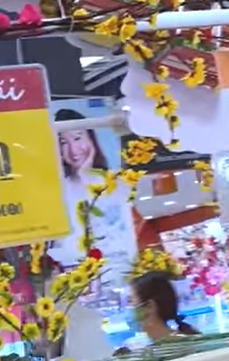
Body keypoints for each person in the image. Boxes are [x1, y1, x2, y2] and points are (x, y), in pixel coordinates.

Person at [50, 108, 135, 274]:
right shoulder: (59, 189)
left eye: (77, 138)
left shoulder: (116, 182)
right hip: (76, 272)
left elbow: (121, 223)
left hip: (119, 266)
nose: (73, 150)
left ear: (91, 138)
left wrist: (86, 175)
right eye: (63, 143)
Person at [131, 270, 198, 343]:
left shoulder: (182, 344)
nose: (128, 309)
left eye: (130, 301)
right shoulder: (138, 345)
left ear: (150, 306)